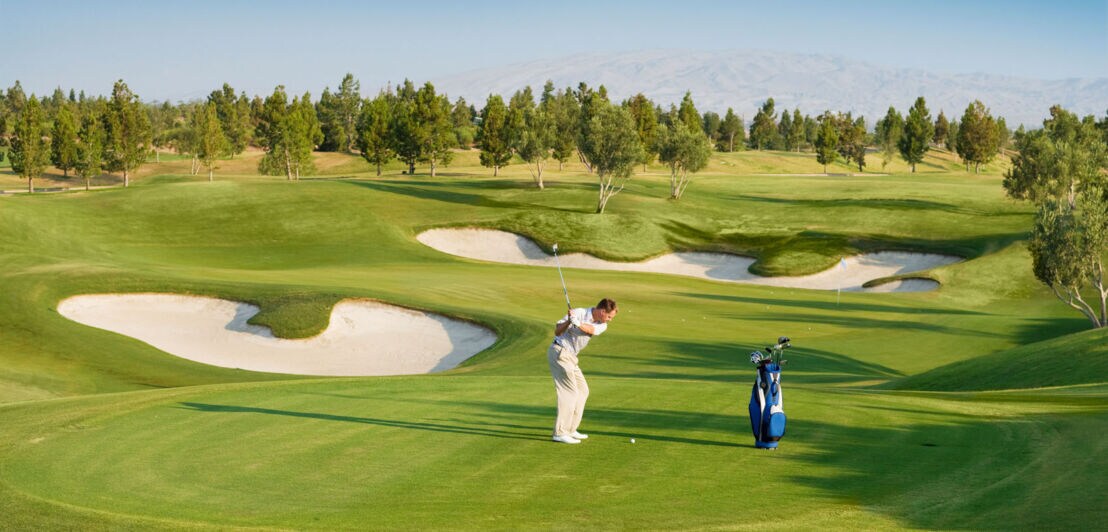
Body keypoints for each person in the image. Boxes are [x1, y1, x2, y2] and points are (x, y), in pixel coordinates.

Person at [548, 298, 618, 444]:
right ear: (602, 311)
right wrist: (569, 321)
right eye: (609, 316)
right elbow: (557, 331)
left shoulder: (602, 325)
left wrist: (577, 323)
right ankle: (560, 432)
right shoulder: (579, 312)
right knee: (570, 392)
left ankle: (571, 429)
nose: (610, 320)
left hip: (572, 357)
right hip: (560, 352)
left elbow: (590, 330)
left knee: (583, 390)